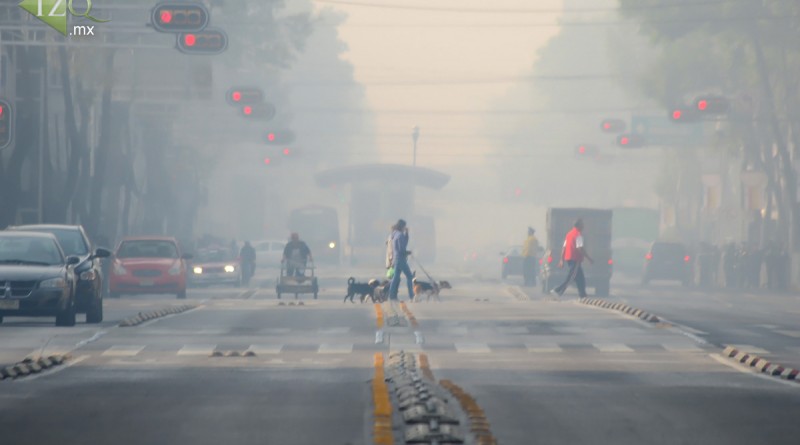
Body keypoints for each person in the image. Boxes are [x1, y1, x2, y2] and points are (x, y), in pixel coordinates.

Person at [553, 219, 593, 298]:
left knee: (580, 278)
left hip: (569, 258)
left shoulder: (569, 234)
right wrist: (589, 258)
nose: (584, 226)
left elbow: (564, 247)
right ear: (579, 226)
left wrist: (561, 259)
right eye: (582, 224)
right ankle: (557, 291)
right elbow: (580, 248)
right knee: (571, 277)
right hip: (575, 259)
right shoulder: (578, 234)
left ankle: (583, 294)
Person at [388, 219, 414, 301]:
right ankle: (412, 296)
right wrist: (407, 252)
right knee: (410, 276)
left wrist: (406, 233)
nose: (405, 228)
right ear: (402, 226)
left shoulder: (395, 234)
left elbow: (404, 243)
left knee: (395, 278)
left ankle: (391, 295)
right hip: (401, 259)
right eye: (404, 226)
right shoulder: (400, 235)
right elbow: (401, 249)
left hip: (396, 258)